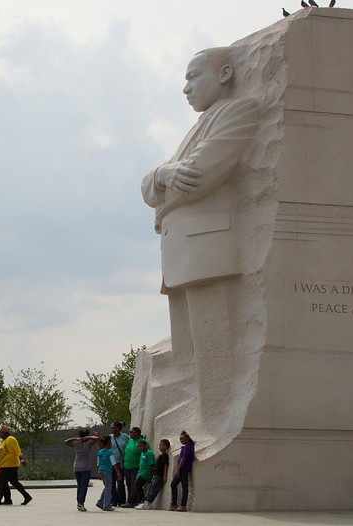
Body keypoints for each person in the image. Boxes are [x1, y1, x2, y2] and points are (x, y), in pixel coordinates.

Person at [139, 46, 261, 440]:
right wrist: (162, 175)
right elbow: (150, 184)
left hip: (207, 249)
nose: (186, 88)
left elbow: (200, 175)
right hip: (182, 252)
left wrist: (161, 194)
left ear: (225, 73)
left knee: (214, 353)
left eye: (193, 77)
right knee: (189, 355)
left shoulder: (239, 111)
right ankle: (200, 427)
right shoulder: (197, 126)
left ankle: (218, 426)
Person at [0, 425, 32, 506]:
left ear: (6, 433)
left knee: (3, 482)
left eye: (1, 432)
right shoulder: (1, 440)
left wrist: (22, 459)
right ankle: (26, 496)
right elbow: (0, 451)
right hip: (3, 465)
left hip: (9, 465)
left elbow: (17, 451)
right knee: (14, 482)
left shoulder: (11, 439)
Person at [64, 429, 99, 512]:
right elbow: (97, 439)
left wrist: (75, 439)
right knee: (83, 486)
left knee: (79, 486)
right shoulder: (88, 444)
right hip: (85, 468)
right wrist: (87, 437)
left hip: (77, 467)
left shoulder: (76, 444)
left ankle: (79, 503)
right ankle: (81, 503)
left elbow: (66, 441)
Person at [135, 438, 170, 510]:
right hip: (156, 474)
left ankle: (148, 503)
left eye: (161, 445)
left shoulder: (164, 455)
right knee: (150, 489)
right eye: (159, 445)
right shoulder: (160, 455)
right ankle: (144, 502)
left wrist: (165, 476)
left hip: (159, 475)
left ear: (166, 446)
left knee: (154, 490)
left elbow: (165, 465)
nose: (160, 447)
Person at [169, 431, 195, 512]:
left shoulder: (188, 447)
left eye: (182, 438)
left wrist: (178, 469)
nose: (181, 440)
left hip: (183, 469)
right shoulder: (186, 447)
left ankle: (183, 506)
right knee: (173, 485)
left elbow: (184, 458)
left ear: (187, 437)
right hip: (182, 469)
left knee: (184, 487)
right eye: (180, 439)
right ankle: (174, 505)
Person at [119, 427, 143, 507]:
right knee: (128, 484)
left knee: (134, 484)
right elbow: (124, 453)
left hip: (135, 467)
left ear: (136, 433)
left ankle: (131, 502)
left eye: (131, 432)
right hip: (127, 466)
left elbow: (144, 453)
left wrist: (139, 463)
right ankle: (131, 500)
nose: (130, 433)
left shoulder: (142, 442)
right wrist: (122, 462)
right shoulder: (129, 441)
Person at [94, 436, 119, 512]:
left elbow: (98, 463)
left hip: (101, 470)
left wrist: (98, 472)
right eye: (110, 442)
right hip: (107, 471)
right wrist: (118, 472)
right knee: (109, 488)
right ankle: (106, 505)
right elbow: (113, 463)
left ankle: (101, 502)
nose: (111, 444)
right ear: (108, 443)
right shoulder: (110, 452)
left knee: (107, 487)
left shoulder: (100, 452)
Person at [108, 421, 128, 506]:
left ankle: (121, 500)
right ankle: (113, 500)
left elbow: (128, 448)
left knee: (120, 481)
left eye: (113, 427)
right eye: (111, 427)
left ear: (118, 428)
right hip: (111, 462)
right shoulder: (110, 437)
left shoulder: (125, 437)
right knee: (111, 482)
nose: (111, 429)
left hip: (120, 462)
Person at [130, 438, 155, 506]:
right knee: (137, 486)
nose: (139, 448)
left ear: (145, 446)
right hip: (140, 472)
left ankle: (142, 501)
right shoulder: (142, 453)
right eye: (138, 446)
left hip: (146, 473)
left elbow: (152, 464)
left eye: (140, 446)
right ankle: (140, 501)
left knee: (137, 485)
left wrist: (153, 474)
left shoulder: (149, 453)